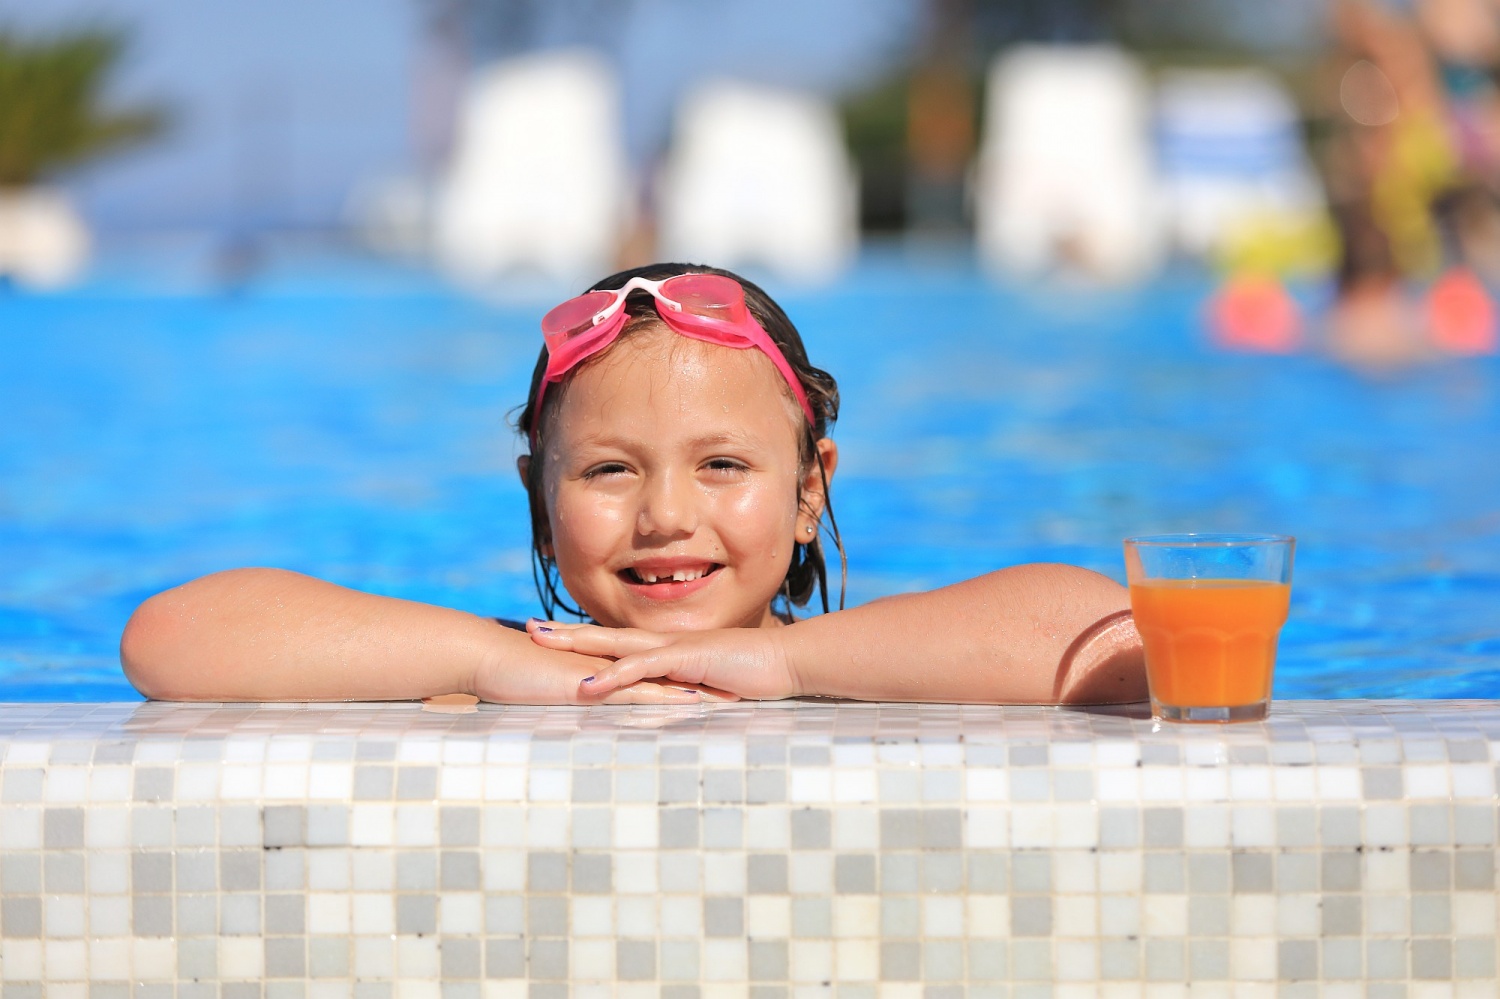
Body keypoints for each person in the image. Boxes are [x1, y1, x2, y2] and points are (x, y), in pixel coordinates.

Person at [121, 263, 1146, 706]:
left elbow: (1127, 642)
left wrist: (780, 669)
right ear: (537, 496)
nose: (664, 517)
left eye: (724, 467)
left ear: (809, 492)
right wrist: (490, 664)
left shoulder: (857, 669)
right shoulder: (505, 669)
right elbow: (168, 638)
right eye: (609, 470)